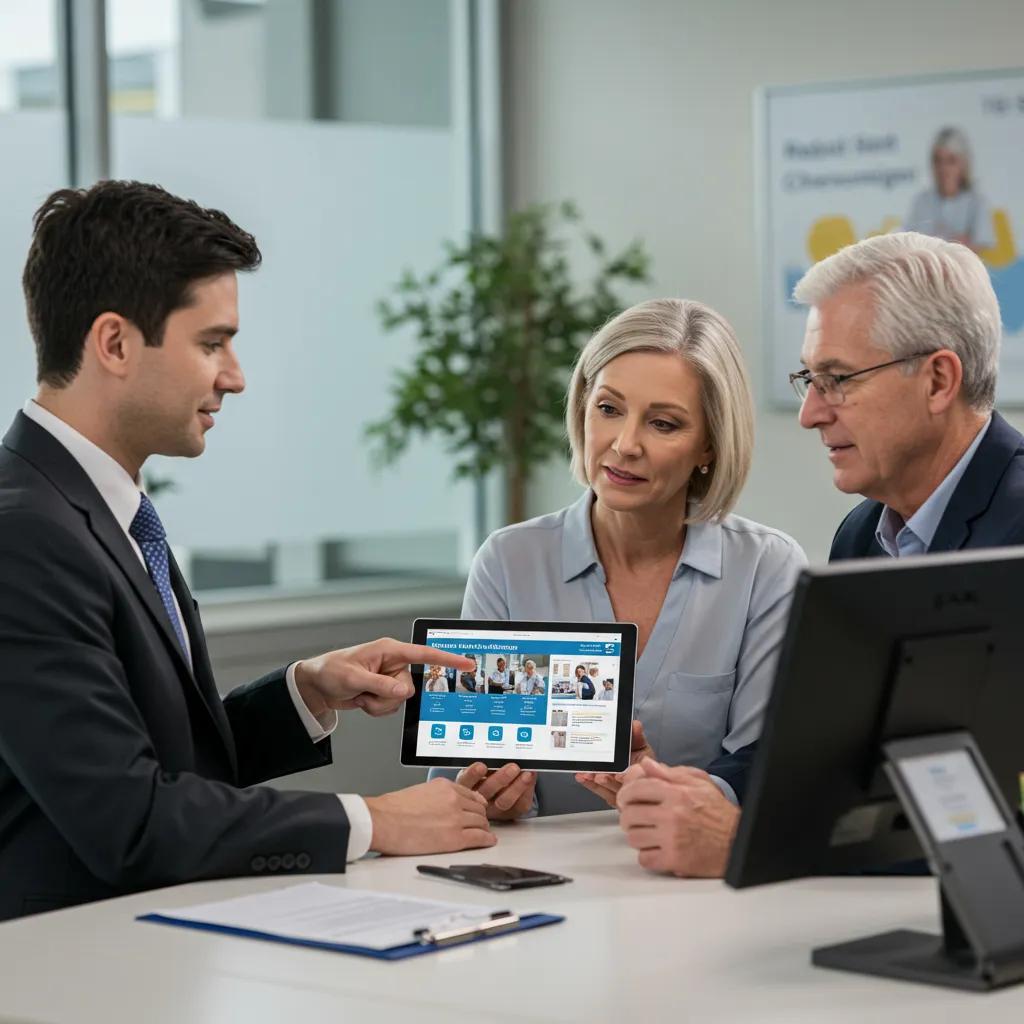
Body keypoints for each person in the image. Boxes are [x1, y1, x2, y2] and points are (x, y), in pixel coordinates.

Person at [0, 182, 495, 922]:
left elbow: (164, 759)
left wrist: (307, 690)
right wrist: (374, 822)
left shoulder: (100, 511)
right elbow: (130, 819)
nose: (234, 375)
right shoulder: (24, 534)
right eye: (212, 342)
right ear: (114, 343)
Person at [618, 231, 1024, 877]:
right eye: (810, 379)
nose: (810, 414)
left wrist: (754, 845)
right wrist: (700, 795)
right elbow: (824, 745)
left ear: (939, 379)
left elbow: (997, 816)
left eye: (836, 380)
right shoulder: (863, 535)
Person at [431, 298, 806, 821]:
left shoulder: (767, 569)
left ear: (710, 447)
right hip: (537, 878)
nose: (625, 444)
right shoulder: (509, 561)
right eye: (608, 409)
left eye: (664, 424)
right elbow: (459, 769)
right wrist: (491, 799)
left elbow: (763, 768)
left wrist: (674, 795)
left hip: (695, 878)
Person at [904, 127, 994, 252]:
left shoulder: (977, 201)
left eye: (951, 161)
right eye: (938, 161)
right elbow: (909, 241)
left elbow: (981, 244)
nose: (943, 168)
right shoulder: (921, 201)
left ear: (963, 164)